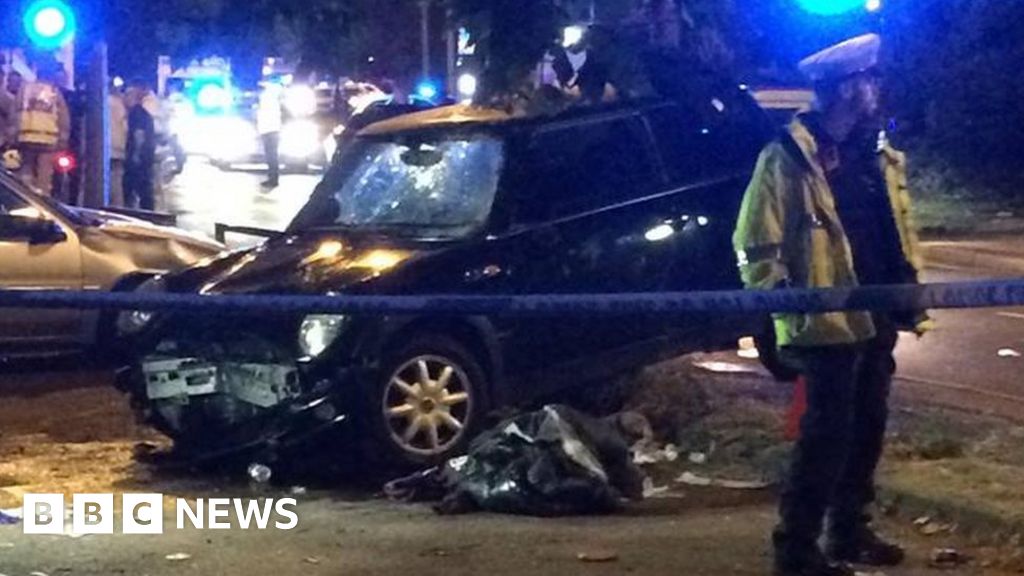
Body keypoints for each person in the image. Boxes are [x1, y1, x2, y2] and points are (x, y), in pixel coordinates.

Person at [733, 34, 928, 576]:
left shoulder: (874, 153)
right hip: (824, 324)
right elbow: (756, 242)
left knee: (867, 428)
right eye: (866, 81)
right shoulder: (788, 158)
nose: (875, 90)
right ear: (845, 89)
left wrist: (906, 291)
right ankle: (795, 548)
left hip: (875, 315)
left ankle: (848, 531)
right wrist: (782, 307)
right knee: (825, 438)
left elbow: (893, 229)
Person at [16, 65, 70, 193]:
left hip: (26, 138)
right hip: (48, 140)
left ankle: (25, 198)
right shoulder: (54, 92)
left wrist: (12, 135)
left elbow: (15, 111)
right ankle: (43, 203)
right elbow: (63, 118)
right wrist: (63, 139)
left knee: (25, 172)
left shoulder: (25, 90)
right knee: (44, 176)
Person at [124, 80, 157, 210]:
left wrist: (136, 155)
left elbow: (139, 135)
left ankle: (143, 213)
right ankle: (147, 211)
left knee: (137, 187)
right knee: (145, 187)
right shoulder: (144, 113)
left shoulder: (137, 113)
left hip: (139, 158)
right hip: (145, 156)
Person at [256, 80, 283, 188]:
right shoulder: (272, 99)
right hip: (270, 130)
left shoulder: (269, 99)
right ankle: (272, 178)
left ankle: (273, 179)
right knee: (271, 156)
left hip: (270, 131)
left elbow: (264, 116)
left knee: (271, 156)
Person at [109, 84, 128, 207]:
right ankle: (117, 206)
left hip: (104, 147)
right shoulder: (119, 104)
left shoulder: (101, 102)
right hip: (118, 146)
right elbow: (125, 126)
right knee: (116, 179)